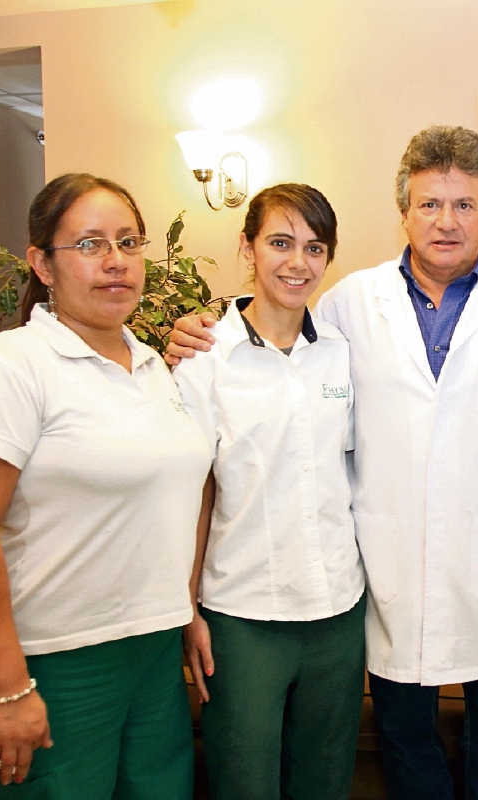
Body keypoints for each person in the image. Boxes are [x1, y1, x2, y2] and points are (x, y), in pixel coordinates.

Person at [166, 126, 478, 800]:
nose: (446, 221)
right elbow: (276, 351)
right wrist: (194, 332)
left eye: (463, 205)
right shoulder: (350, 304)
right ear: (403, 213)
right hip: (387, 572)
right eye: (429, 204)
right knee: (407, 744)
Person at [0, 173, 212, 798]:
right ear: (42, 263)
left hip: (151, 652)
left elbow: (182, 494)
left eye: (128, 242)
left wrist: (186, 609)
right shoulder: (8, 364)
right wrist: (7, 686)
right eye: (89, 245)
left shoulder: (154, 367)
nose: (116, 261)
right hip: (55, 659)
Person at [172, 184, 365, 800]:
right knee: (245, 779)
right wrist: (188, 607)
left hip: (338, 608)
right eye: (280, 243)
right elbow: (192, 492)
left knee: (326, 779)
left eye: (314, 248)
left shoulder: (341, 353)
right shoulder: (205, 359)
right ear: (248, 247)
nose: (297, 262)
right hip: (244, 612)